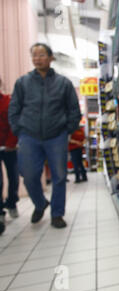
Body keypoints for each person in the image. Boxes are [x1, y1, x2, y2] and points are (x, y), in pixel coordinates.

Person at [8, 43, 81, 229]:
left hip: (56, 135)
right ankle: (40, 204)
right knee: (29, 174)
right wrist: (18, 130)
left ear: (50, 58)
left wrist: (68, 130)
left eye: (41, 55)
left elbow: (74, 109)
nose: (37, 58)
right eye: (34, 55)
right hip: (29, 135)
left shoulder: (63, 83)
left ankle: (57, 214)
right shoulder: (22, 83)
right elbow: (14, 109)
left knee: (59, 176)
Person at [0, 77, 19, 235]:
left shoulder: (8, 101)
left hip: (9, 147)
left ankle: (12, 202)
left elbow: (14, 123)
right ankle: (0, 210)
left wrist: (11, 143)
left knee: (13, 176)